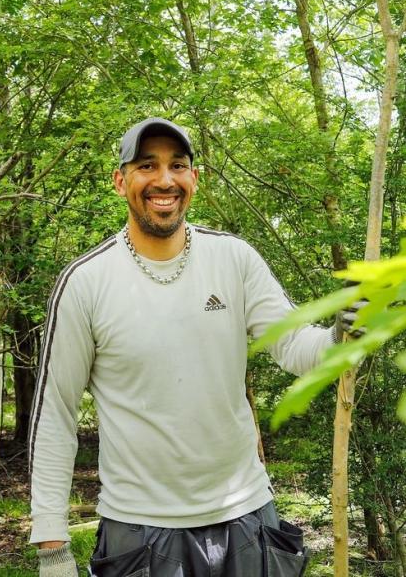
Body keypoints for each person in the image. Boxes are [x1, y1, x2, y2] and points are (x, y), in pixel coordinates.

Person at [29, 117, 356, 576]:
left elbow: (297, 348)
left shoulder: (234, 259)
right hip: (140, 531)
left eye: (177, 165)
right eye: (147, 165)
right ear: (120, 180)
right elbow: (55, 416)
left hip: (246, 515)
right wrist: (52, 547)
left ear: (194, 180)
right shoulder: (86, 282)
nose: (164, 180)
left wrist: (342, 338)